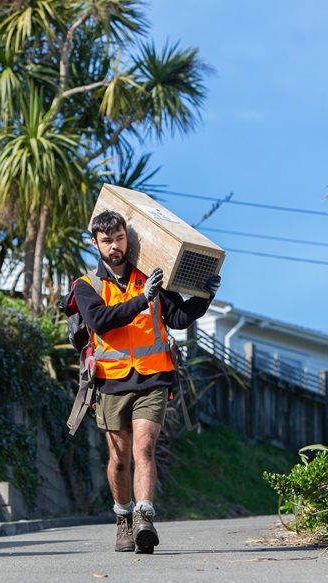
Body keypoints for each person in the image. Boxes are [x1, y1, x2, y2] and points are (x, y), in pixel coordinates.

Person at [72, 209, 221, 554]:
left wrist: (204, 297)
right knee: (120, 459)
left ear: (128, 238)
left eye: (120, 238)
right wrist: (143, 300)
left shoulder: (149, 277)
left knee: (144, 448)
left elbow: (180, 318)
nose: (115, 246)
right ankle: (123, 517)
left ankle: (144, 517)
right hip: (110, 382)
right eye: (107, 241)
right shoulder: (87, 285)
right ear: (95, 243)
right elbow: (100, 321)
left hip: (154, 377)